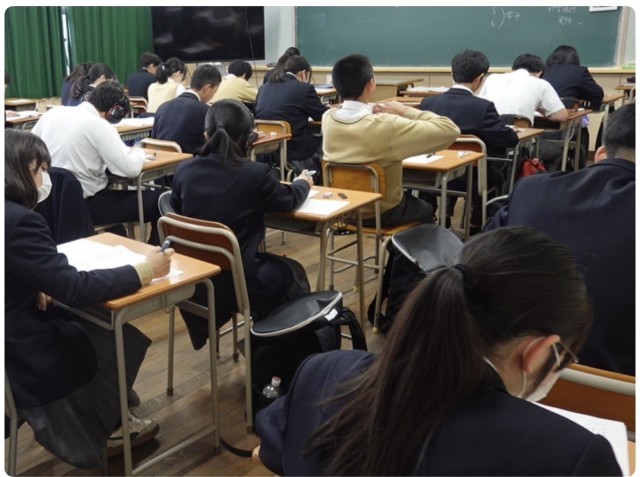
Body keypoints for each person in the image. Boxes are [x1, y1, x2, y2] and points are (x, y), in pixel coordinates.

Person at [255, 226, 622, 476]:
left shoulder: (322, 373)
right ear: (540, 350)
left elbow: (269, 453)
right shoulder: (571, 457)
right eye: (565, 358)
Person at [5, 129, 174, 468]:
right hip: (20, 352)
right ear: (19, 170)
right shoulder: (20, 222)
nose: (45, 179)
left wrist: (31, 281)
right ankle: (105, 425)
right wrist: (143, 270)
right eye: (40, 170)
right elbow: (75, 289)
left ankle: (114, 408)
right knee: (111, 338)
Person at [485, 104, 635, 376]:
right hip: (620, 390)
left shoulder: (531, 189)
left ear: (601, 154)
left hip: (511, 373)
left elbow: (481, 263)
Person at [169, 99, 313, 349]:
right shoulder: (255, 174)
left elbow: (177, 216)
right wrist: (303, 183)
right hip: (241, 284)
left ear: (206, 135)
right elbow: (289, 200)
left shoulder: (184, 171)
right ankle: (273, 348)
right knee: (293, 272)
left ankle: (263, 345)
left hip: (197, 283)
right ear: (249, 139)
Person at [322, 53, 460, 227]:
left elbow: (352, 114)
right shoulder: (387, 125)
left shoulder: (328, 118)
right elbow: (450, 130)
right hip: (381, 211)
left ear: (336, 85)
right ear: (371, 84)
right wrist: (404, 110)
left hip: (342, 207)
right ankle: (402, 246)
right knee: (425, 209)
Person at [32, 80, 162, 245]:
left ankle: (122, 245)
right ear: (114, 112)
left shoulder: (52, 114)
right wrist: (139, 152)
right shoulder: (99, 125)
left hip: (45, 202)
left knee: (108, 193)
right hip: (84, 206)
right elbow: (130, 169)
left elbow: (28, 151)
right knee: (158, 198)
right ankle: (154, 251)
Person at [420, 49, 519, 233]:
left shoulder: (429, 103)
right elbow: (509, 140)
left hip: (433, 175)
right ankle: (475, 227)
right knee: (495, 173)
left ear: (452, 74)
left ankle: (438, 221)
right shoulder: (482, 107)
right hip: (470, 178)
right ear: (480, 78)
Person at [254, 55, 328, 178]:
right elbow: (321, 115)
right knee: (320, 138)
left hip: (267, 148)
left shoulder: (264, 87)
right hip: (293, 147)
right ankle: (319, 178)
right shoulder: (304, 89)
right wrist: (330, 109)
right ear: (303, 73)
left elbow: (256, 113)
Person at [540, 45, 605, 170]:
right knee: (583, 131)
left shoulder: (542, 71)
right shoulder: (579, 71)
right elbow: (597, 94)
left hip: (539, 126)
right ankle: (580, 168)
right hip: (566, 126)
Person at [479, 53, 568, 126]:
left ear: (513, 68)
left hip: (484, 134)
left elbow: (479, 105)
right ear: (540, 73)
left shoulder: (492, 78)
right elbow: (561, 116)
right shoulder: (541, 84)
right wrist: (539, 108)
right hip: (517, 136)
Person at [152, 64, 221, 154]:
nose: (213, 96)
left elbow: (153, 140)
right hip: (190, 160)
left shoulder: (162, 107)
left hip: (161, 159)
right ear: (207, 88)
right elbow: (213, 145)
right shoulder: (206, 111)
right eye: (214, 92)